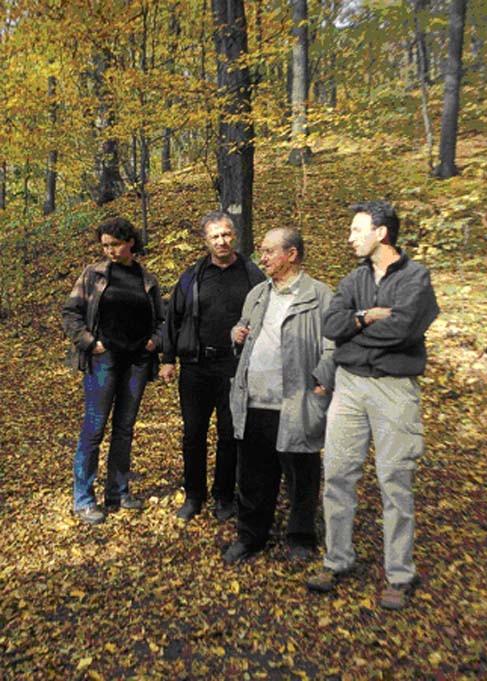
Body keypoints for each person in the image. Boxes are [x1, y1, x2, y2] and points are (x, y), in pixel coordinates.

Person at [306, 200, 439, 610]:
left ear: (381, 233)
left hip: (394, 389)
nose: (350, 237)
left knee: (395, 480)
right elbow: (332, 325)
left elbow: (403, 329)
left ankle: (399, 574)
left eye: (356, 230)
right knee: (338, 475)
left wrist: (353, 331)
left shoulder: (416, 278)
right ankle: (337, 559)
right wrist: (365, 317)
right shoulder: (352, 279)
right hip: (348, 386)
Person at [223, 228, 335, 564]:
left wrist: (323, 378)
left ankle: (300, 538)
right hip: (255, 399)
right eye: (261, 251)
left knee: (301, 473)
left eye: (270, 251)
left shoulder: (320, 296)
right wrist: (236, 333)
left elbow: (333, 344)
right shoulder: (258, 294)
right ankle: (250, 536)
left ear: (292, 254)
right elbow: (243, 328)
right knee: (253, 474)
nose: (263, 258)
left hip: (296, 401)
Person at [160, 212, 265, 521]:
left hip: (235, 367)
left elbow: (266, 313)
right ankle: (194, 495)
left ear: (234, 236)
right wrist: (168, 360)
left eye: (227, 235)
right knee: (193, 433)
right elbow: (173, 318)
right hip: (196, 366)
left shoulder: (252, 274)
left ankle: (224, 495)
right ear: (205, 241)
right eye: (215, 236)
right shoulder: (192, 276)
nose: (222, 241)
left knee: (230, 434)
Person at [62, 217, 165, 525]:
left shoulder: (147, 279)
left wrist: (153, 343)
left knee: (124, 429)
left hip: (136, 362)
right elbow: (71, 311)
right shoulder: (92, 275)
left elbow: (162, 321)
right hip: (102, 361)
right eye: (105, 245)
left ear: (130, 242)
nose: (109, 250)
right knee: (94, 430)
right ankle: (84, 498)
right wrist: (89, 342)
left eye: (115, 244)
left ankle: (118, 492)